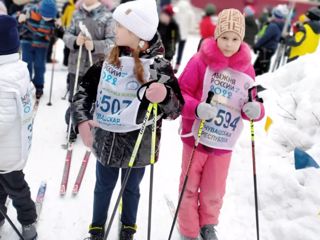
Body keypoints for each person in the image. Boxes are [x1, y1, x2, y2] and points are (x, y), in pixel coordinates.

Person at [72, 0, 184, 239]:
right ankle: (97, 227)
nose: (115, 29)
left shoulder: (158, 68)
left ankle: (128, 226)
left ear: (139, 34)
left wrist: (165, 96)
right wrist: (82, 121)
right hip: (106, 141)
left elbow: (176, 109)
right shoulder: (108, 60)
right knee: (103, 186)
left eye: (121, 26)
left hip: (139, 144)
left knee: (131, 189)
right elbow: (83, 92)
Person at [177, 9, 265, 240]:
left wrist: (256, 110)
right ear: (216, 36)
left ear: (242, 40)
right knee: (189, 185)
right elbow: (180, 94)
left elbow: (251, 101)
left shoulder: (246, 68)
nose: (228, 44)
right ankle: (188, 228)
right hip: (195, 136)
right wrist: (196, 108)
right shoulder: (199, 61)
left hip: (223, 141)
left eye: (235, 39)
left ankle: (208, 224)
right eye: (224, 37)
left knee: (213, 189)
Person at [0, 15, 37, 240]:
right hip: (13, 147)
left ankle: (28, 221)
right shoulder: (18, 69)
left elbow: (1, 120)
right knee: (5, 187)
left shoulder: (3, 78)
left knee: (16, 189)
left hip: (6, 151)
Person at [63, 0, 114, 141]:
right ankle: (72, 125)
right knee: (75, 99)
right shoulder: (76, 13)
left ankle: (92, 126)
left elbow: (113, 42)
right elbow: (66, 35)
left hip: (96, 67)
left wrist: (95, 45)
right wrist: (74, 41)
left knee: (93, 100)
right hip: (77, 65)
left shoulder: (107, 16)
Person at [18, 0, 57, 99]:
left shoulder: (53, 15)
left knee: (40, 65)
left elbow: (54, 31)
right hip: (27, 41)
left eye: (50, 17)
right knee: (27, 64)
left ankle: (39, 86)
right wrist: (20, 19)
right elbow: (17, 21)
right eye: (46, 16)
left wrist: (57, 29)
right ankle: (26, 85)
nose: (47, 18)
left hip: (42, 44)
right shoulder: (29, 10)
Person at [253, 4, 288, 75]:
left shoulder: (273, 26)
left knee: (259, 68)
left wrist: (257, 45)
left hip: (266, 49)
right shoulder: (279, 24)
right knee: (262, 66)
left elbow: (266, 37)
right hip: (270, 49)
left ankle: (258, 81)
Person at [173, 0, 195, 73]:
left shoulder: (177, 7)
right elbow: (192, 21)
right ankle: (177, 65)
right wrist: (190, 29)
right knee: (180, 50)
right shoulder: (189, 10)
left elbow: (173, 19)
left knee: (172, 48)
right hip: (184, 34)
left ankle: (170, 63)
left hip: (176, 33)